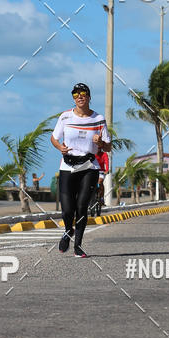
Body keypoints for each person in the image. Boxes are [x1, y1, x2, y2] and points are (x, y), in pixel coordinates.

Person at [50, 82, 111, 257]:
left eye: (83, 93)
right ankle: (68, 231)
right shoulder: (65, 117)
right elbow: (54, 138)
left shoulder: (98, 119)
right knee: (67, 209)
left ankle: (78, 246)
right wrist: (59, 148)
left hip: (89, 167)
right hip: (67, 166)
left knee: (82, 206)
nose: (79, 97)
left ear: (89, 97)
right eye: (76, 94)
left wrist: (100, 143)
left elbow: (108, 147)